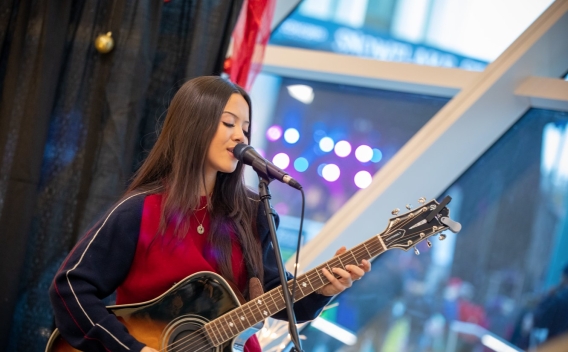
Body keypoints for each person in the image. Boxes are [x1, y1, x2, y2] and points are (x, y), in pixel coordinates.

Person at [49, 76, 371, 352]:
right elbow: (70, 290)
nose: (241, 136)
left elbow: (276, 295)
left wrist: (321, 291)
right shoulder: (140, 211)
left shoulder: (253, 213)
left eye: (245, 128)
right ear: (193, 125)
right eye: (229, 123)